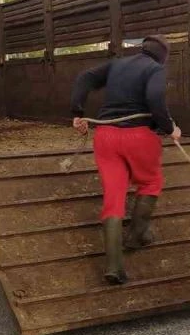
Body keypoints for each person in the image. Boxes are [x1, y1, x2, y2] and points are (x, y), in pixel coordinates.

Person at [71, 35, 181, 285]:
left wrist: (77, 112)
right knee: (150, 183)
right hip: (138, 136)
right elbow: (154, 99)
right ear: (163, 55)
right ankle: (136, 235)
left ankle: (114, 267)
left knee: (114, 195)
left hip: (105, 136)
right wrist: (169, 128)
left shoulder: (118, 63)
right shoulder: (155, 69)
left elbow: (84, 78)